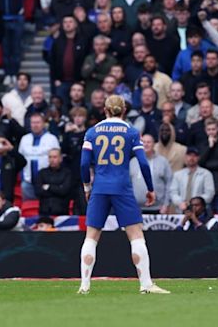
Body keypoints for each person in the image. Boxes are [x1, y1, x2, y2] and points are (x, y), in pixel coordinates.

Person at [78, 95, 169, 294]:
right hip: (122, 188)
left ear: (105, 110)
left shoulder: (92, 132)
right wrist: (150, 188)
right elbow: (143, 163)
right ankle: (146, 284)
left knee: (91, 238)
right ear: (124, 111)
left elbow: (84, 164)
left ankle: (84, 285)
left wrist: (87, 187)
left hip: (100, 187)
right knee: (136, 236)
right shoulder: (131, 132)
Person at [18, 113, 60, 200]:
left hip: (47, 181)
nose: (35, 125)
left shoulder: (52, 139)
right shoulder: (24, 139)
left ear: (44, 123)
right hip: (27, 180)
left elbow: (57, 158)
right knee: (28, 206)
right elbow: (20, 159)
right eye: (33, 123)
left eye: (38, 122)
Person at [130, 134, 172, 214]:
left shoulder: (163, 162)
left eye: (149, 142)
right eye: (143, 142)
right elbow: (128, 185)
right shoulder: (133, 162)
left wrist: (166, 205)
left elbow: (169, 184)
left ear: (154, 144)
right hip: (136, 209)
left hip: (158, 208)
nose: (146, 144)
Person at [35, 148, 73, 216]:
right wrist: (58, 188)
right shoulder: (42, 173)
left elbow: (64, 191)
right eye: (50, 157)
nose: (52, 160)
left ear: (61, 159)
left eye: (55, 157)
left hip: (62, 212)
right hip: (44, 212)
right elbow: (38, 191)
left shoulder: (67, 173)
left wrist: (48, 187)